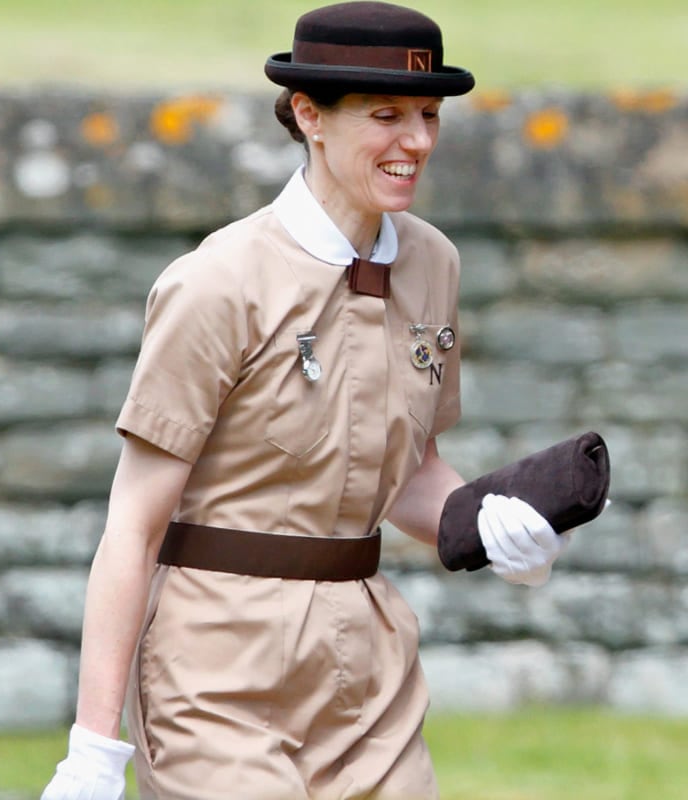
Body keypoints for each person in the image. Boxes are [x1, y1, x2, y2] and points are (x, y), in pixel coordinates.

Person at [42, 3, 571, 799]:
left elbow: (411, 469)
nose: (419, 142)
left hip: (372, 674)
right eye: (387, 116)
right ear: (308, 115)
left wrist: (486, 525)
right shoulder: (216, 284)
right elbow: (133, 525)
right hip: (215, 675)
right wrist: (92, 748)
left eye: (429, 115)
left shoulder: (435, 263)